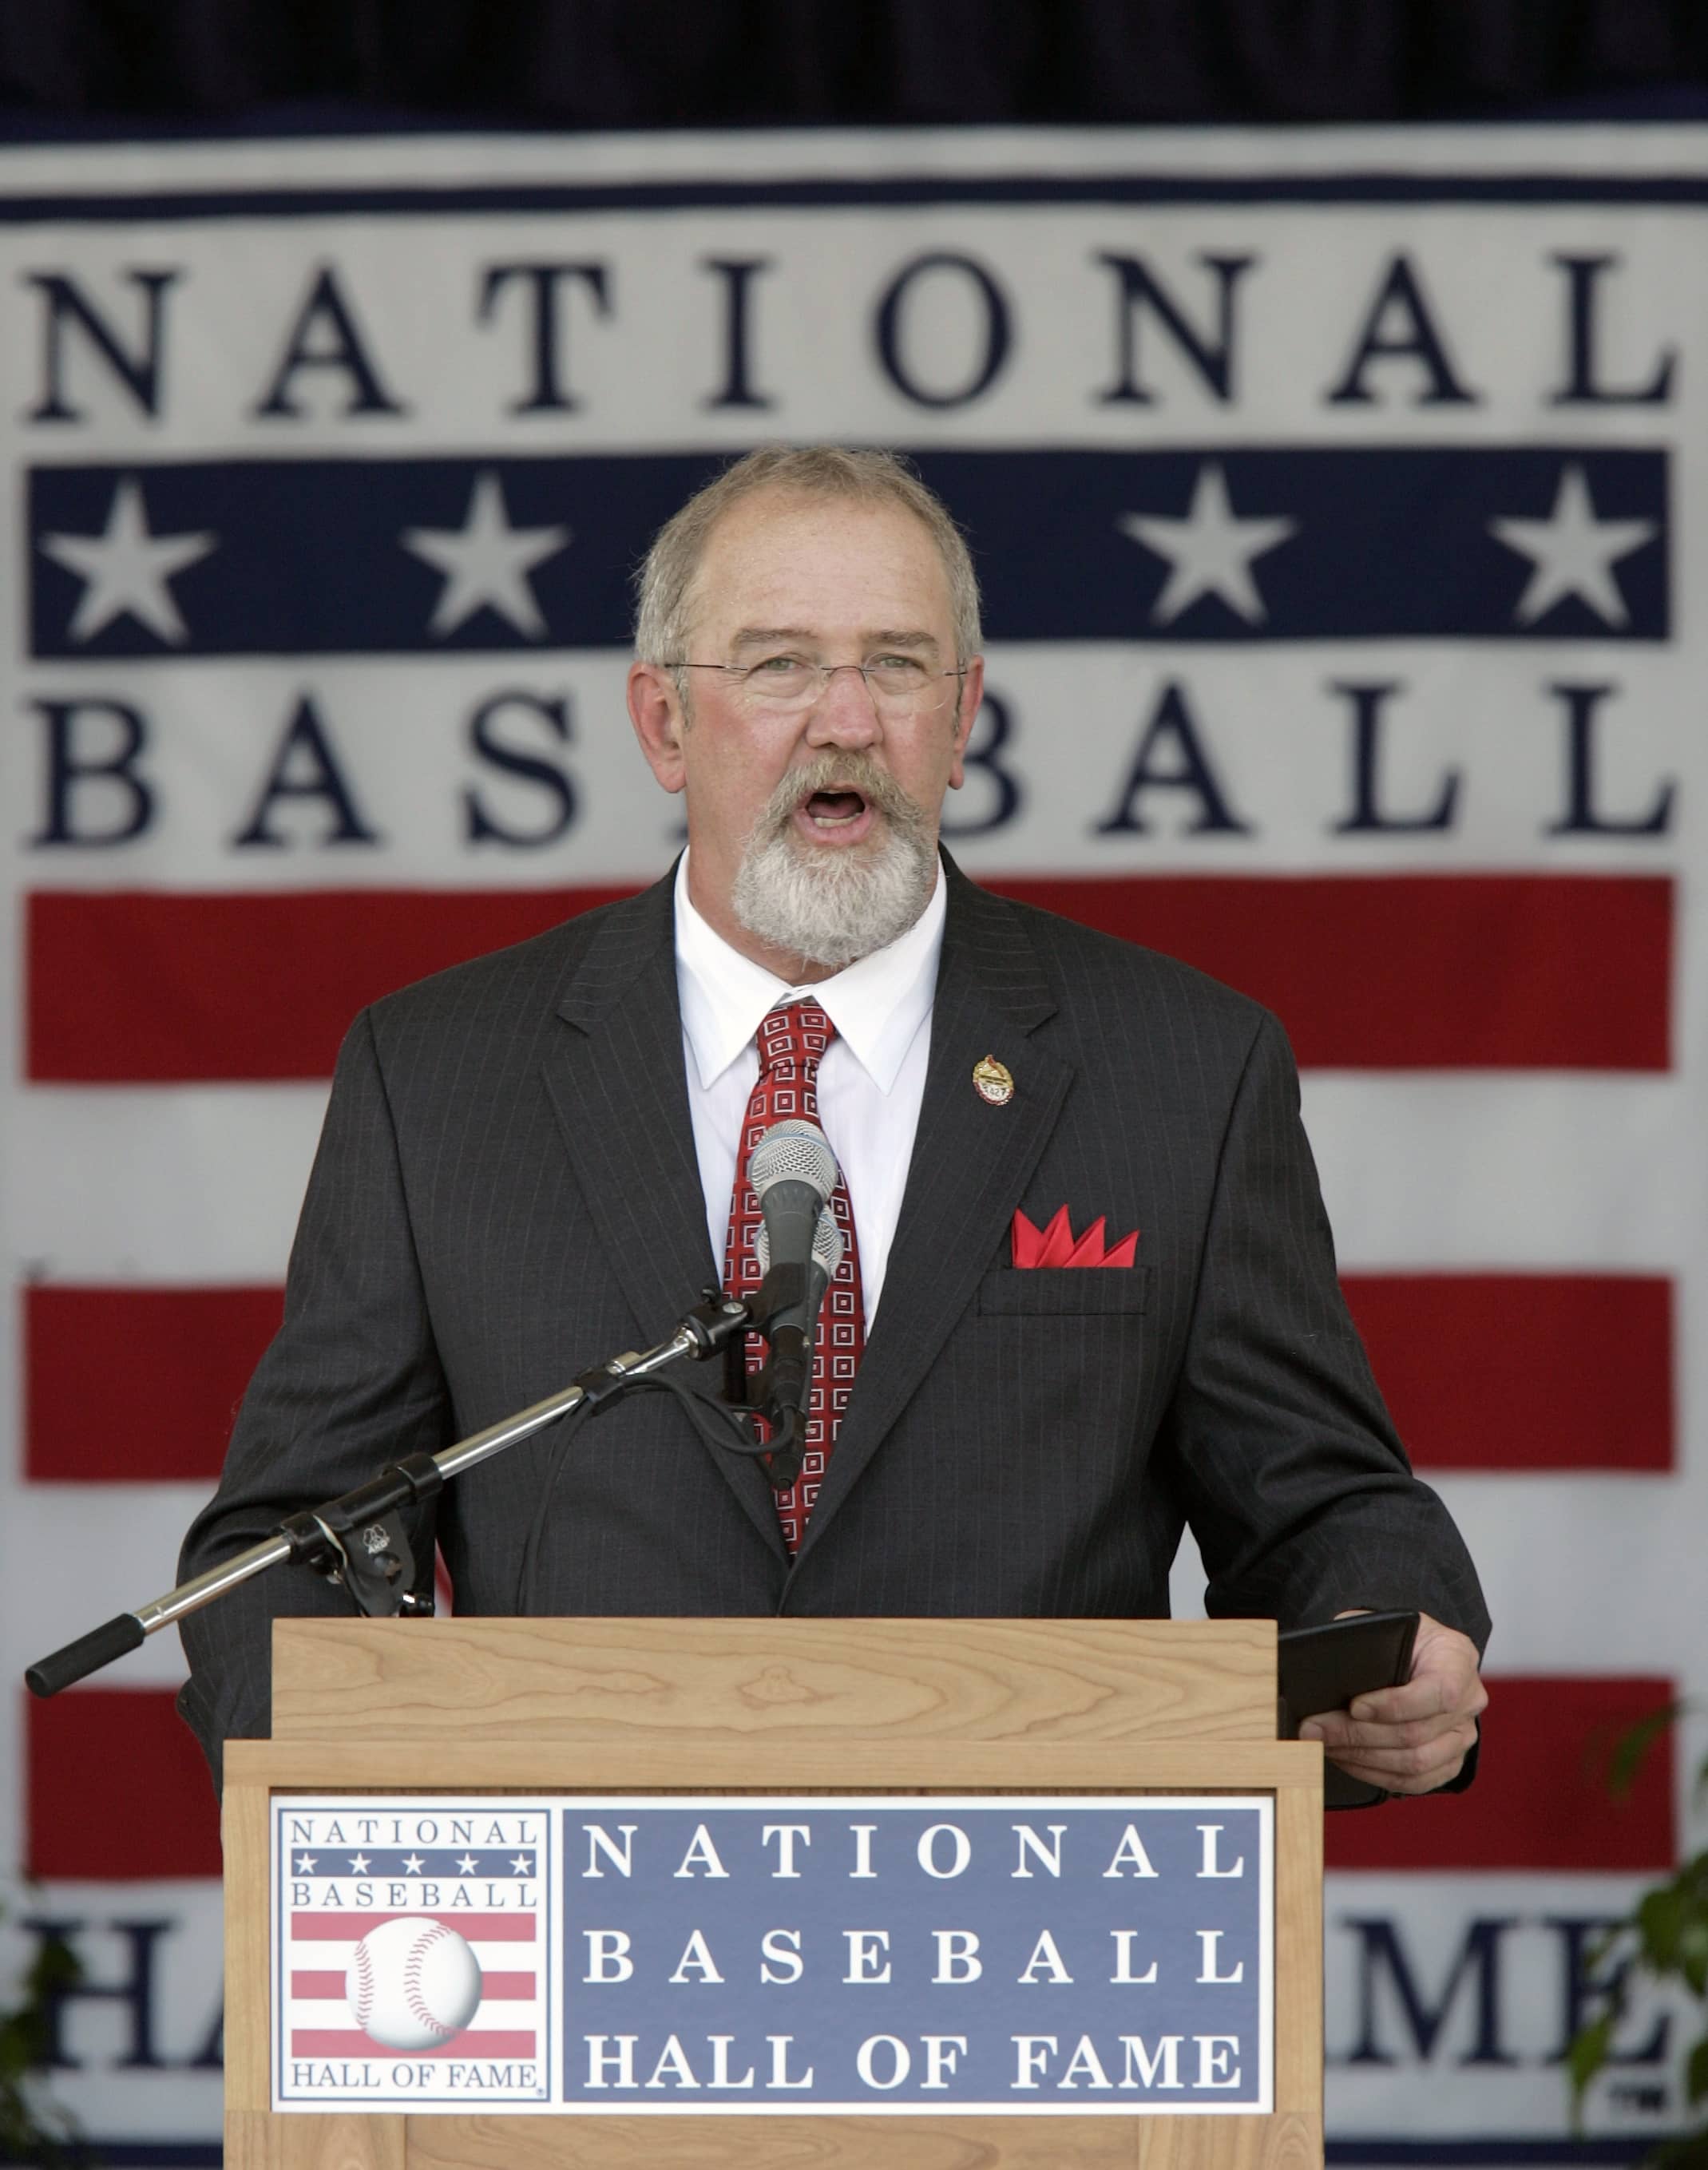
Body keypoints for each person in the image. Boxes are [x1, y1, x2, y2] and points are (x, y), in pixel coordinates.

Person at [176, 446, 1488, 1796]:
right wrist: (368, 1784)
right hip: (578, 1920)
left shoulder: (1182, 1068)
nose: (848, 719)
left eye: (901, 664)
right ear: (664, 723)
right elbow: (286, 1545)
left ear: (964, 716)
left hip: (1042, 1931)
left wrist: (1385, 1638)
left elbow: (1323, 1507)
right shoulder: (441, 1075)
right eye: (780, 664)